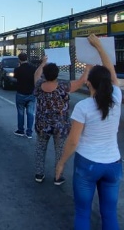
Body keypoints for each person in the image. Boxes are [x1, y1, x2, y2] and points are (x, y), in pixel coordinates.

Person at [55, 34, 122, 230]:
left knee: (83, 212)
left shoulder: (83, 107)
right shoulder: (117, 97)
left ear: (88, 83)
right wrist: (100, 47)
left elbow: (73, 141)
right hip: (113, 164)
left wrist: (61, 163)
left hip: (87, 164)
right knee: (109, 213)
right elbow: (111, 70)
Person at [33, 56, 89, 184]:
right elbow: (82, 81)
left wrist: (43, 63)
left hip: (42, 125)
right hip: (60, 126)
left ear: (45, 74)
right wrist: (87, 68)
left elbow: (36, 74)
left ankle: (39, 174)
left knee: (40, 149)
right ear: (57, 74)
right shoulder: (63, 86)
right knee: (60, 151)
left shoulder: (39, 85)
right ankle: (58, 176)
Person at [13, 53, 37, 138]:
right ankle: (29, 132)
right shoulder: (33, 68)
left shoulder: (17, 69)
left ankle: (20, 130)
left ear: (19, 59)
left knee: (20, 113)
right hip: (31, 94)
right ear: (27, 58)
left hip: (20, 93)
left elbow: (15, 78)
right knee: (30, 113)